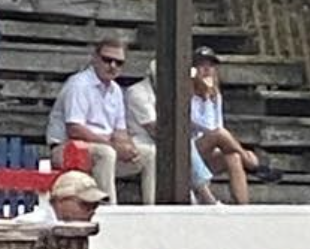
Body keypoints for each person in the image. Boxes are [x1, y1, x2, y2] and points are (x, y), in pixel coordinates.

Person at [45, 36, 156, 206]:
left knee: (149, 153)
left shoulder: (116, 91)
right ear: (95, 59)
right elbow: (75, 129)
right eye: (107, 60)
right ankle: (109, 209)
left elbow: (120, 131)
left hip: (98, 148)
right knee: (106, 153)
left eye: (118, 63)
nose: (112, 66)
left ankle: (152, 209)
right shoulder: (79, 84)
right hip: (67, 149)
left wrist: (128, 147)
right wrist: (113, 145)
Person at [123, 62, 217, 206]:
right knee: (181, 144)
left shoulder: (170, 92)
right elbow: (153, 129)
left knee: (184, 144)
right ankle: (205, 194)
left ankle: (199, 195)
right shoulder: (137, 93)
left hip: (165, 139)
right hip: (142, 139)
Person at [189, 48, 269, 206]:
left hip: (210, 151)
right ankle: (251, 162)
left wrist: (209, 96)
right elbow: (199, 125)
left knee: (233, 157)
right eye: (202, 66)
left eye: (210, 66)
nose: (206, 70)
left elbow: (217, 124)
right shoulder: (187, 94)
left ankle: (243, 206)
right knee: (218, 135)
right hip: (191, 149)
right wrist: (204, 97)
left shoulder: (216, 96)